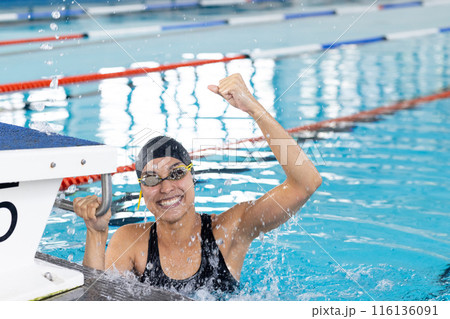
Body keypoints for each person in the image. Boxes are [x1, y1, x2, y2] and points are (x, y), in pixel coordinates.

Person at [73, 73, 322, 295]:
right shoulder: (131, 240)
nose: (167, 187)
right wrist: (96, 234)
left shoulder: (228, 231)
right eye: (151, 178)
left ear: (193, 178)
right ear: (141, 190)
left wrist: (254, 109)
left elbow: (306, 183)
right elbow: (97, 304)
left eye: (176, 172)